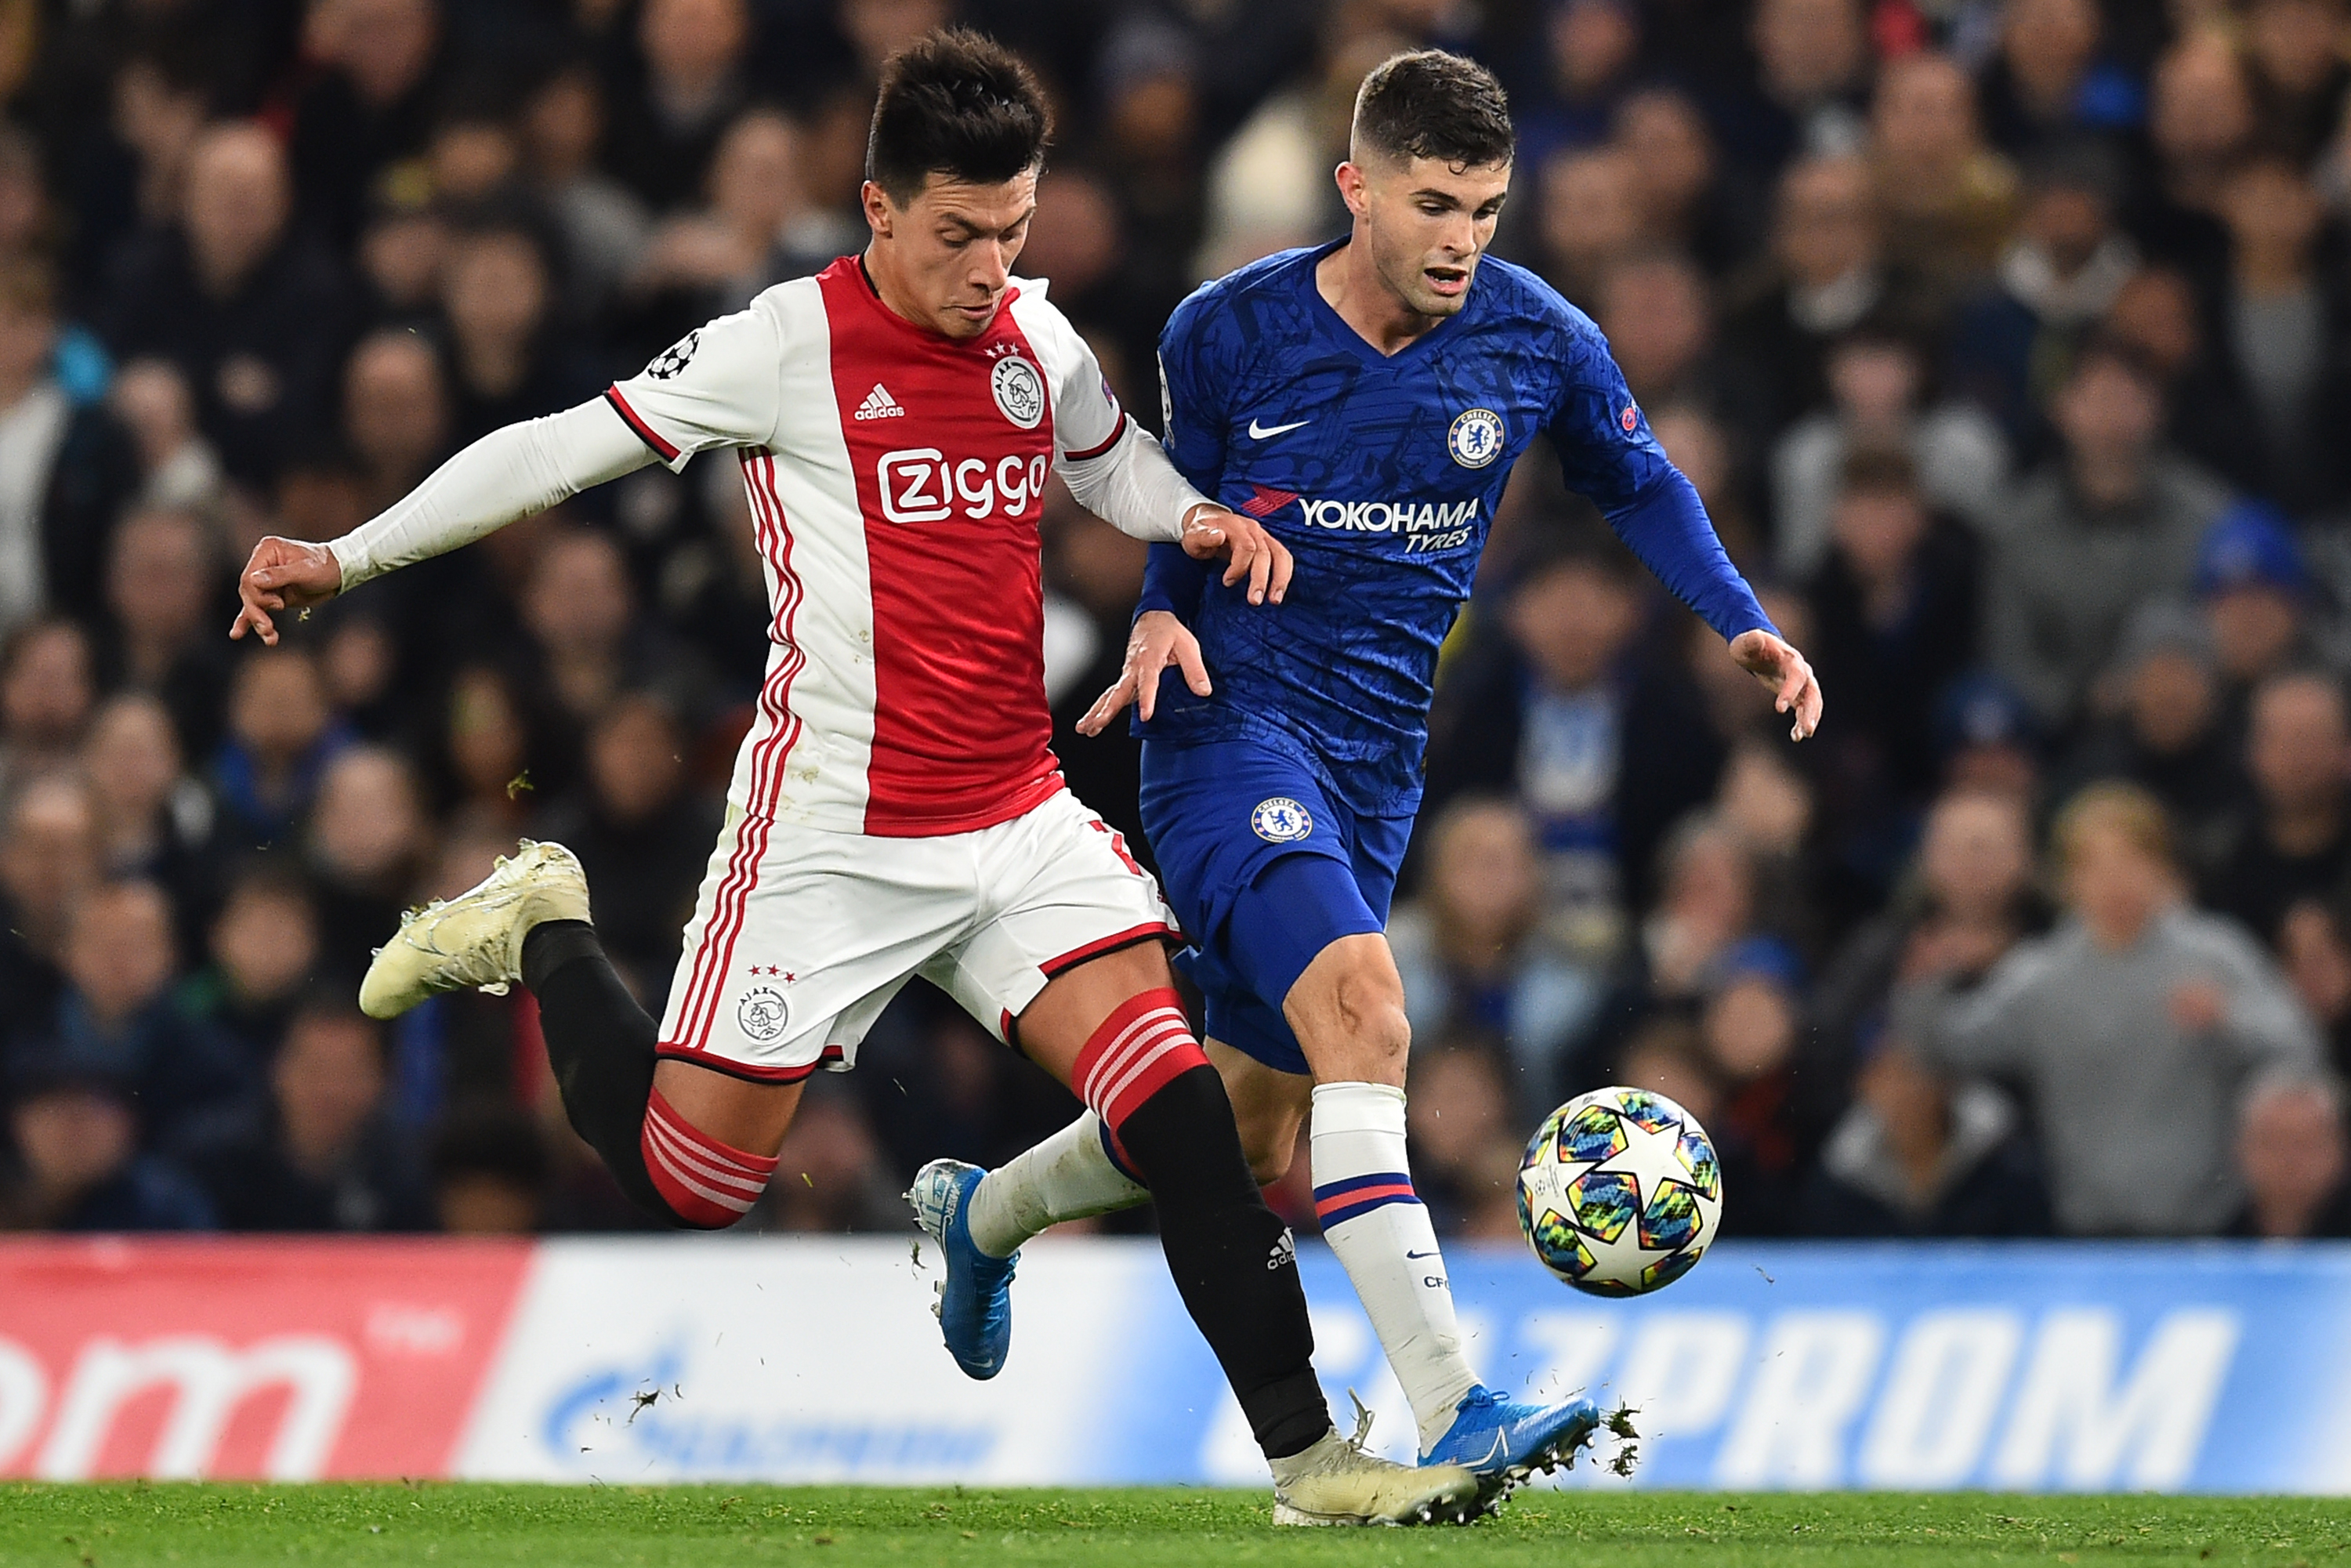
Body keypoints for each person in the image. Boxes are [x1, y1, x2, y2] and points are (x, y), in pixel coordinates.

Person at [226, 29, 1477, 1529]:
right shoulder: (783, 345)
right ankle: (542, 922)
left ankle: (1313, 1463)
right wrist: (347, 554)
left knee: (1182, 1111)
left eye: (1012, 231)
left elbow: (1109, 460)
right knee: (691, 1178)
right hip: (833, 834)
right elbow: (557, 450)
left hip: (1016, 818)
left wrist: (1195, 516)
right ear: (879, 209)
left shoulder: (1032, 334)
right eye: (958, 235)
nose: (988, 267)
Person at [956, 48, 1816, 1487]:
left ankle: (982, 1215)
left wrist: (1740, 619)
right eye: (1434, 204)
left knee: (1238, 1123)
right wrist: (1162, 603)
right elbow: (1192, 498)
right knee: (1370, 1006)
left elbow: (1640, 477)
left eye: (1486, 205)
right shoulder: (1227, 328)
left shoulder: (1536, 338)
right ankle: (1453, 1408)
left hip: (1375, 767)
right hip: (1227, 732)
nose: (1465, 238)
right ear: (1356, 188)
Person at [1896, 782, 2324, 1236]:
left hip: (2209, 1227)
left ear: (2161, 869)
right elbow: (1946, 1047)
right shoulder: (2042, 977)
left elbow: (2301, 1047)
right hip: (2087, 1230)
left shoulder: (2213, 956)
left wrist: (2231, 1018)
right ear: (2068, 881)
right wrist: (1927, 986)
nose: (2115, 881)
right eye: (2096, 866)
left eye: (2131, 862)